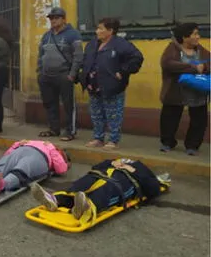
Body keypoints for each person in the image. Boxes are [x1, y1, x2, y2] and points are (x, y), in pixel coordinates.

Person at [31, 158, 165, 222]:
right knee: (82, 183)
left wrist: (132, 170)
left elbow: (153, 189)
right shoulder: (115, 161)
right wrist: (111, 163)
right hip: (101, 175)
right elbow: (95, 166)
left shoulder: (141, 168)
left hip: (124, 183)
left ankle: (87, 207)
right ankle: (56, 200)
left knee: (107, 189)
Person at [80, 17, 144, 149]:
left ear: (110, 30)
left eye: (100, 28)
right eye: (97, 28)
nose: (97, 31)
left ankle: (113, 140)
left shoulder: (121, 44)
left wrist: (123, 71)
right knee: (96, 113)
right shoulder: (93, 44)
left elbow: (137, 58)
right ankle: (98, 138)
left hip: (112, 85)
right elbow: (85, 60)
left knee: (113, 114)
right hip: (94, 85)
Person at [159, 23, 210, 156]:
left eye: (198, 34)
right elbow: (167, 64)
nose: (198, 37)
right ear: (185, 36)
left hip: (197, 91)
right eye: (195, 34)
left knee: (199, 119)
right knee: (170, 118)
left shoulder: (201, 50)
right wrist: (193, 67)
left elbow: (209, 63)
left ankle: (192, 145)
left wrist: (204, 67)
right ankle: (168, 143)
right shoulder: (173, 49)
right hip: (176, 91)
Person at [0, 140, 70, 195]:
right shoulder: (47, 146)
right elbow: (7, 154)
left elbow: (61, 168)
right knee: (5, 166)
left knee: (19, 168)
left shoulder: (51, 149)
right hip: (25, 151)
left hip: (36, 155)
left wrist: (52, 149)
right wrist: (17, 144)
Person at [37, 7, 84, 141]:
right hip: (46, 76)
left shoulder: (73, 35)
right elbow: (41, 55)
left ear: (64, 19)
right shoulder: (47, 35)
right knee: (50, 103)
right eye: (51, 18)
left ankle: (70, 131)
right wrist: (40, 72)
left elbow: (78, 56)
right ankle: (53, 128)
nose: (53, 21)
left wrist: (72, 74)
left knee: (68, 104)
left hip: (64, 75)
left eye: (56, 18)